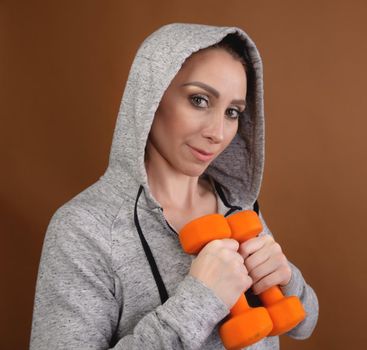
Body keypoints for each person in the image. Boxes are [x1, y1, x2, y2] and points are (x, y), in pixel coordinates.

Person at [30, 23, 319, 349]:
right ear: (150, 97)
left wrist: (287, 279)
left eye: (232, 112)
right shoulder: (83, 229)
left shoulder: (236, 206)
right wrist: (199, 301)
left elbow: (304, 323)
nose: (218, 132)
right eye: (199, 100)